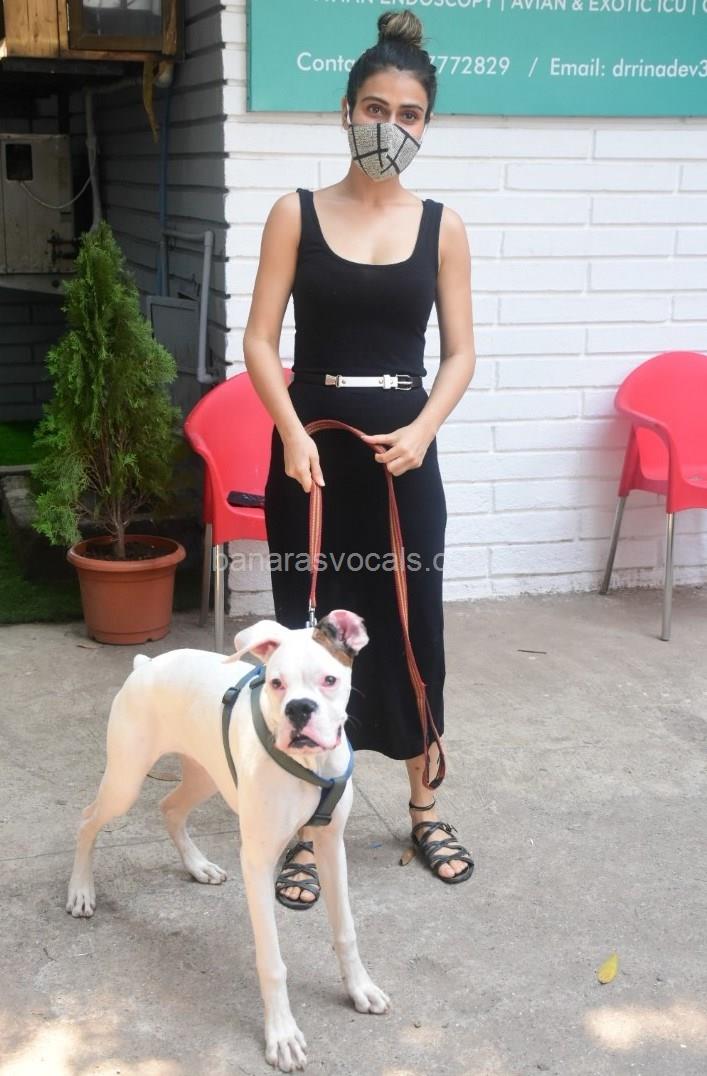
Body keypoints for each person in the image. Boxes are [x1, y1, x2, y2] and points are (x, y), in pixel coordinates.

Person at [243, 11, 476, 906]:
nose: (391, 126)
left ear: (426, 124)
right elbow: (260, 340)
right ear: (346, 111)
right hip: (310, 458)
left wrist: (424, 430)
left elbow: (460, 353)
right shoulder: (294, 214)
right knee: (305, 637)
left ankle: (423, 807)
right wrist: (290, 431)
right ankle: (303, 825)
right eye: (376, 108)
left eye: (409, 114)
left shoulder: (442, 227)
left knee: (414, 628)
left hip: (403, 464)